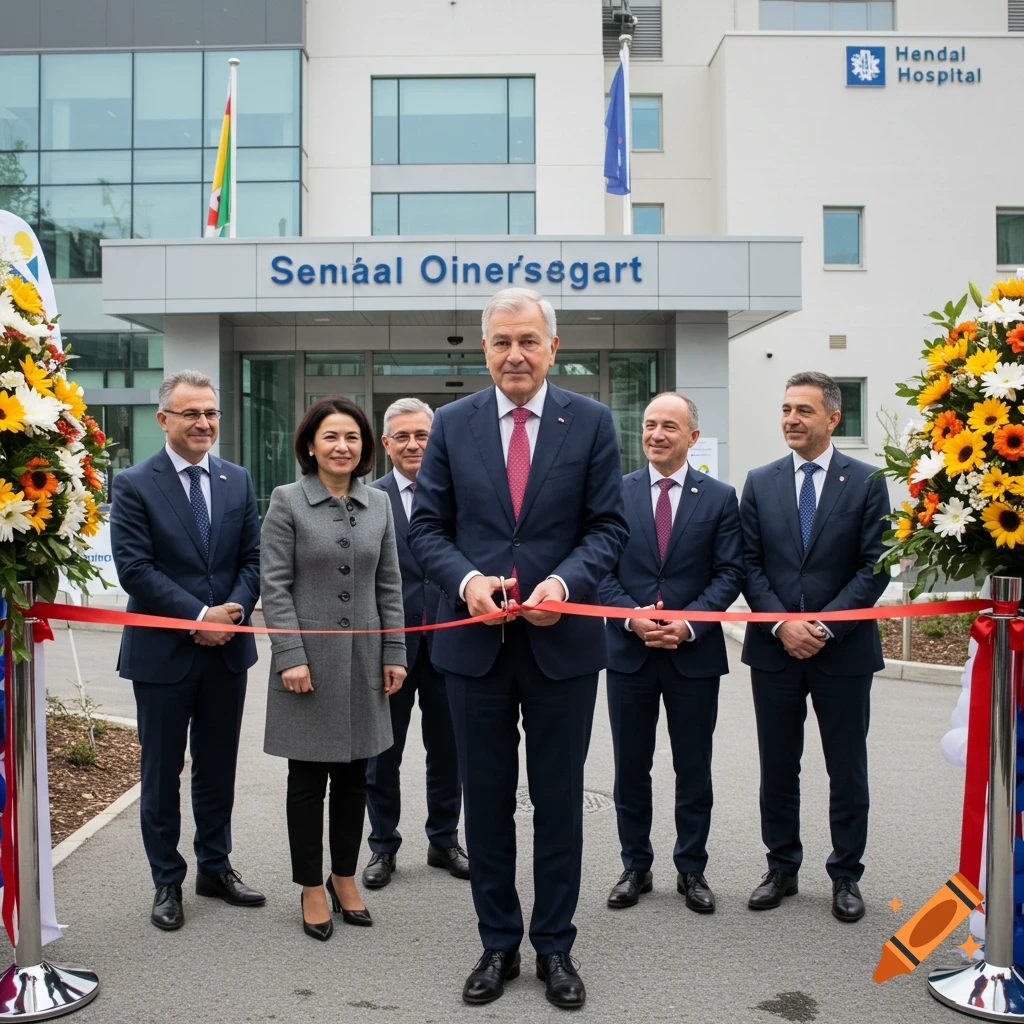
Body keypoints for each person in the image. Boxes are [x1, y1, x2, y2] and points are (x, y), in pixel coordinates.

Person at [409, 287, 628, 1010]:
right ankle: (498, 941)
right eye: (502, 342)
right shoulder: (450, 424)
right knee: (488, 803)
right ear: (485, 349)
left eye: (529, 340)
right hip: (474, 648)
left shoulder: (591, 422)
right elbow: (428, 530)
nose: (515, 355)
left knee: (560, 803)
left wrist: (564, 585)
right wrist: (468, 582)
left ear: (552, 347)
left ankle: (555, 947)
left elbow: (608, 530)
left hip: (560, 646)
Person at [110, 369, 264, 932]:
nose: (204, 423)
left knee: (218, 766)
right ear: (164, 420)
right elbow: (135, 569)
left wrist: (233, 614)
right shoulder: (132, 483)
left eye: (211, 414)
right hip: (162, 654)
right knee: (161, 771)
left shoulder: (236, 479)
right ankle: (167, 880)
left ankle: (214, 868)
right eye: (191, 414)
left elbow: (253, 559)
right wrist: (198, 617)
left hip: (227, 651)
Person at [739, 371, 889, 923]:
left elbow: (877, 565)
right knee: (778, 765)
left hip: (843, 652)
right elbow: (748, 564)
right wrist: (783, 624)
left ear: (832, 418)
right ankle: (782, 867)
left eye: (803, 410)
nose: (791, 420)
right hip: (775, 649)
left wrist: (824, 626)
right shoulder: (760, 481)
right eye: (785, 409)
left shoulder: (868, 482)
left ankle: (846, 873)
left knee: (845, 767)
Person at [260, 397, 407, 941]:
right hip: (309, 667)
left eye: (352, 437)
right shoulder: (287, 501)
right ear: (310, 445)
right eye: (331, 437)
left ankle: (345, 877)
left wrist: (395, 653)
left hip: (365, 662)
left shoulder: (380, 505)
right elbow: (273, 586)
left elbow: (388, 586)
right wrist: (290, 657)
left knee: (354, 780)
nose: (342, 446)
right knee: (307, 781)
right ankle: (310, 886)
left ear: (365, 447)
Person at [598, 392, 744, 914]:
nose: (657, 434)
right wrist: (630, 617)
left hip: (693, 655)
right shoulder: (614, 493)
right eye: (650, 425)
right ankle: (635, 865)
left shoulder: (721, 497)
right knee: (630, 768)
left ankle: (692, 869)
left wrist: (688, 624)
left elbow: (730, 572)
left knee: (693, 767)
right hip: (628, 653)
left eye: (669, 427)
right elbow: (600, 570)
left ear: (693, 438)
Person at [363, 397, 468, 888]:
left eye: (422, 435)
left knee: (447, 750)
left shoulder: (461, 494)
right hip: (391, 650)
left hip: (452, 643)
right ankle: (382, 846)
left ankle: (444, 840)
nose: (413, 444)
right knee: (384, 753)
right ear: (386, 444)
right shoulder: (367, 500)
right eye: (402, 436)